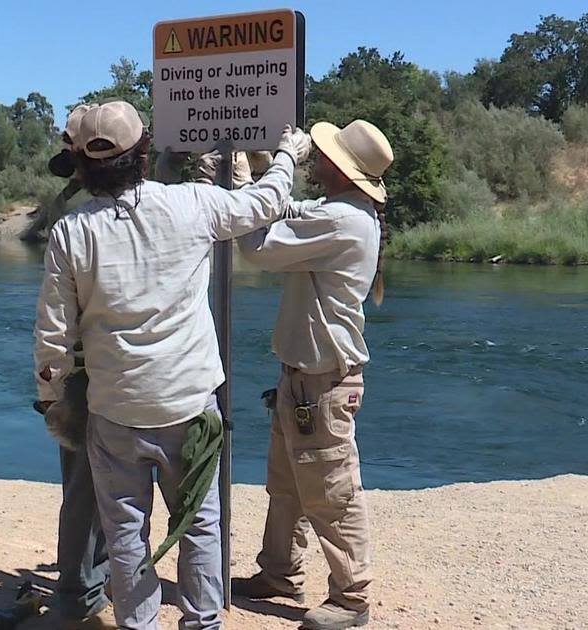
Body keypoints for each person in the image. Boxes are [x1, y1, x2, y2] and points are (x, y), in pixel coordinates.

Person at [34, 100, 311, 630]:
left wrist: (51, 399)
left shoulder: (71, 232)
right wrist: (286, 155)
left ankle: (139, 625)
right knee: (201, 524)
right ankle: (202, 622)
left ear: (83, 166)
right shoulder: (193, 205)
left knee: (124, 531)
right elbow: (266, 202)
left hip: (114, 409)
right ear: (142, 153)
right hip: (189, 403)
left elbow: (53, 332)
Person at [231, 120, 394, 630]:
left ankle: (352, 597)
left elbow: (255, 246)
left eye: (323, 154)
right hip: (306, 379)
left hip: (320, 383)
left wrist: (244, 185)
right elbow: (290, 210)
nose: (317, 157)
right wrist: (266, 173)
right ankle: (279, 571)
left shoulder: (343, 219)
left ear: (341, 169)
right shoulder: (345, 213)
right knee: (287, 486)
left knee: (331, 492)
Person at [32, 103, 113, 630]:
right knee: (89, 488)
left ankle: (85, 585)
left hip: (84, 373)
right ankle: (81, 590)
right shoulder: (91, 226)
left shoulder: (76, 228)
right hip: (98, 374)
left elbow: (53, 323)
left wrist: (48, 385)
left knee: (86, 488)